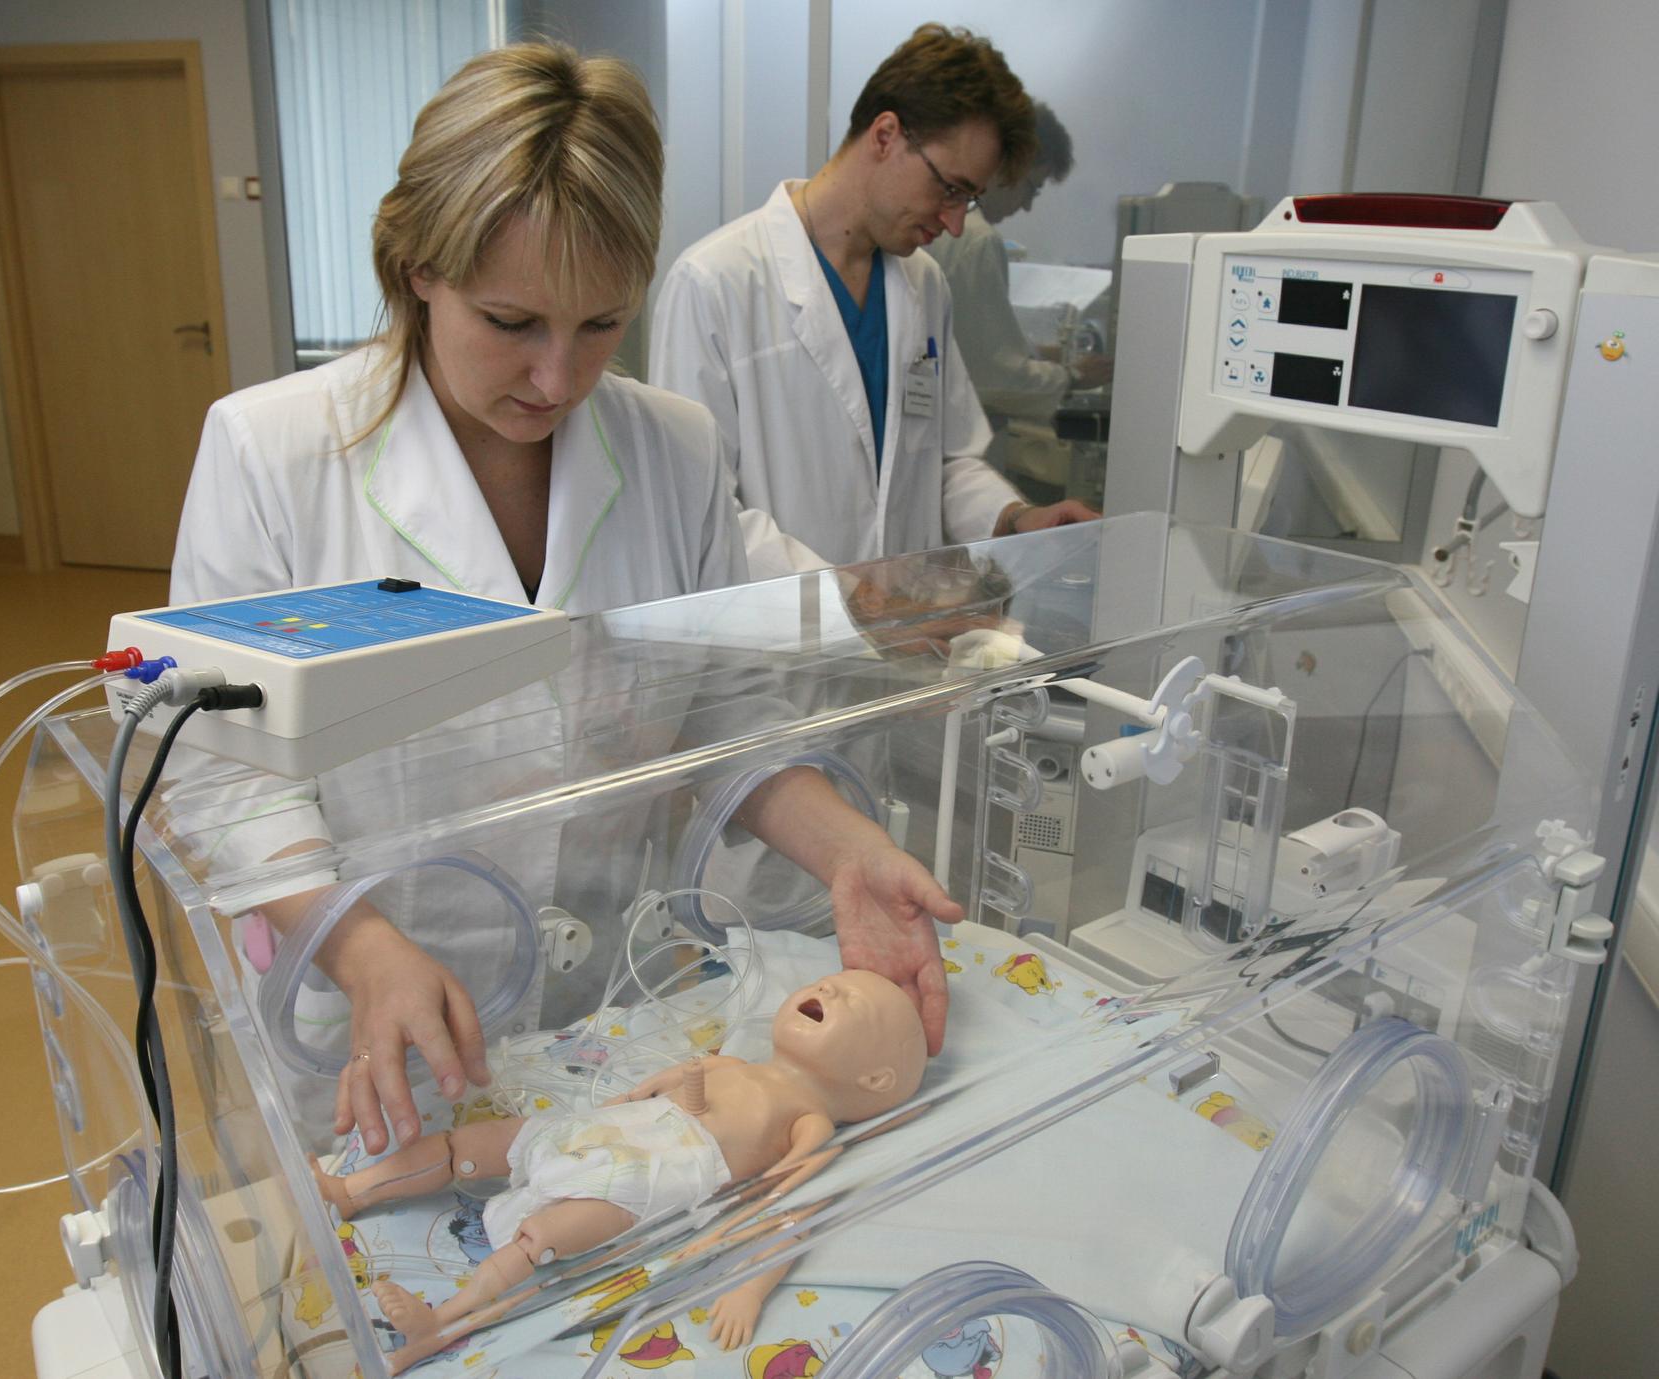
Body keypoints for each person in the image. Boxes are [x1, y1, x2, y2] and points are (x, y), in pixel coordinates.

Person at [168, 43, 961, 1163]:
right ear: (416, 265)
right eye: (511, 322)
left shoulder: (675, 448)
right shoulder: (273, 453)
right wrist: (355, 943)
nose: (556, 378)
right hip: (376, 1023)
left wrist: (845, 849)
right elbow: (222, 772)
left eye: (599, 325)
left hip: (608, 1009)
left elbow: (720, 712)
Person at [650, 24, 1097, 583]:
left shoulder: (923, 283)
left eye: (969, 199)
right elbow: (699, 512)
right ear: (886, 135)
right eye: (950, 188)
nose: (956, 223)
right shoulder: (714, 283)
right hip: (780, 634)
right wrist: (847, 597)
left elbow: (944, 462)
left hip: (908, 625)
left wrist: (1014, 518)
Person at [319, 971, 929, 1369]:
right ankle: (351, 1190)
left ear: (875, 1079)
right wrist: (639, 1095)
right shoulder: (734, 1064)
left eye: (855, 1005)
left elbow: (790, 1214)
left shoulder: (809, 1123)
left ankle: (439, 1323)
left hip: (652, 1178)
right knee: (471, 1145)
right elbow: (660, 1083)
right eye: (831, 983)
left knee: (542, 1238)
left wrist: (750, 1287)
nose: (831, 990)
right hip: (606, 1130)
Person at [925, 102, 1112, 423]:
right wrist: (1074, 377)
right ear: (1005, 163)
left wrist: (1033, 353)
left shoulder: (933, 219)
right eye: (1032, 189)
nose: (1026, 206)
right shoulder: (977, 239)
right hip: (950, 430)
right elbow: (995, 378)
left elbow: (966, 342)